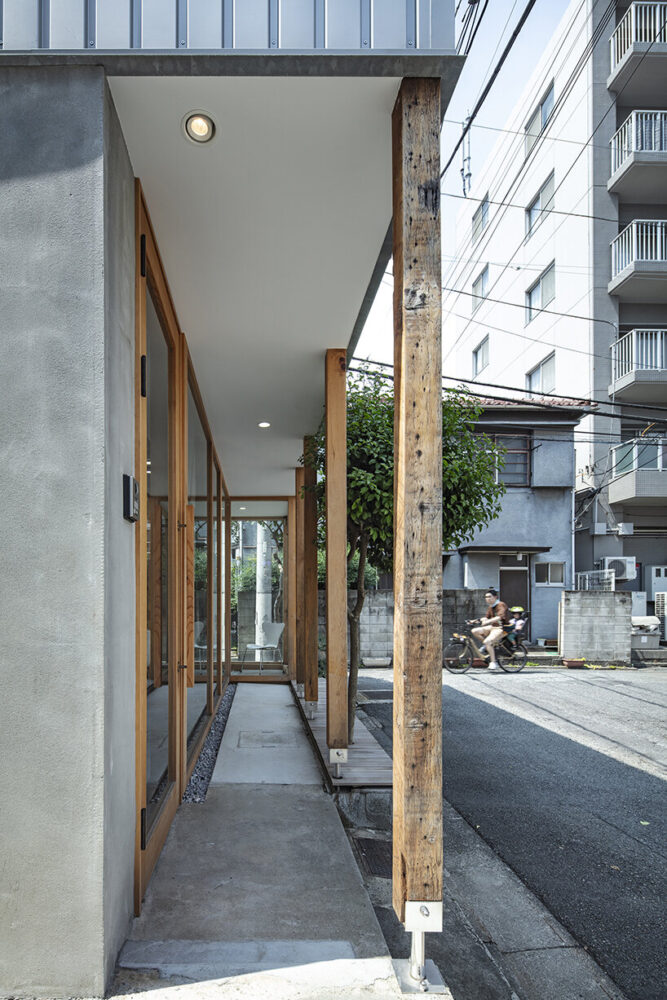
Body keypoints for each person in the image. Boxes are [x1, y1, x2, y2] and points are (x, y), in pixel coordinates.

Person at [470, 588, 509, 671]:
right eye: (486, 597)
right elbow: (486, 617)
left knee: (488, 641)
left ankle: (493, 662)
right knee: (474, 631)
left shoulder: (501, 604)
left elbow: (499, 617)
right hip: (493, 627)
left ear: (495, 597)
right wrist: (474, 621)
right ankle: (487, 646)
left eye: (489, 597)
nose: (487, 599)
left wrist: (488, 621)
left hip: (501, 628)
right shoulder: (491, 607)